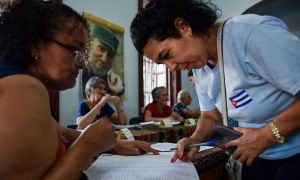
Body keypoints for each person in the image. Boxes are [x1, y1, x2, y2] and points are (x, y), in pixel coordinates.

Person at [130, 0, 300, 179]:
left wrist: (266, 135)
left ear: (183, 26)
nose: (171, 68)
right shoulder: (199, 68)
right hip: (256, 155)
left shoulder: (251, 35)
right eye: (162, 64)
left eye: (167, 55)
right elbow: (209, 116)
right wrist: (195, 139)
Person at [0, 1, 157, 179]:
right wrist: (89, 145)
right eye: (74, 50)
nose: (82, 64)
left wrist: (112, 145)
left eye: (83, 55)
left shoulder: (15, 80)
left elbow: (62, 131)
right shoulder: (25, 87)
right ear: (35, 45)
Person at [82, 24, 125, 98]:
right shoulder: (79, 76)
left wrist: (119, 92)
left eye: (110, 55)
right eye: (101, 49)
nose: (104, 59)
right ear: (90, 45)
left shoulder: (116, 85)